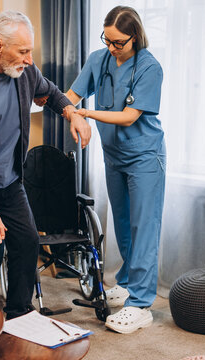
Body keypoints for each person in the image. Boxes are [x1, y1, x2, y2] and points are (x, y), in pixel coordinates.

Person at [0, 10, 91, 320]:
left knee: (26, 243)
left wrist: (73, 115)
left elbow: (50, 93)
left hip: (10, 184)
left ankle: (18, 315)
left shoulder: (24, 71)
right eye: (23, 51)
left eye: (30, 51)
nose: (29, 58)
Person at [64, 6, 165, 334]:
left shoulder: (150, 67)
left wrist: (85, 114)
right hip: (115, 156)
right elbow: (70, 97)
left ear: (135, 37)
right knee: (122, 224)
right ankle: (125, 283)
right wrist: (71, 112)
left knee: (143, 227)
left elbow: (129, 115)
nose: (111, 47)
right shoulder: (98, 59)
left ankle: (141, 304)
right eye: (106, 39)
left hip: (145, 157)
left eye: (118, 42)